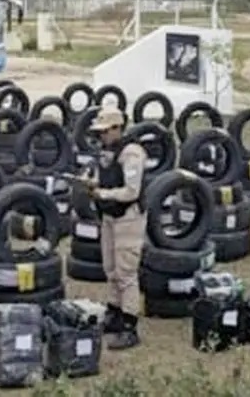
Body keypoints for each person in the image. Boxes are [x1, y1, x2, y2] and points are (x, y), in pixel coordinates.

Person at [83, 107, 147, 351]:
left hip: (128, 217)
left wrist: (103, 193)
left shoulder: (132, 153)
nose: (101, 137)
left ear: (117, 128)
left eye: (105, 132)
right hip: (109, 214)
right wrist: (91, 184)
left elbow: (132, 191)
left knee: (126, 271)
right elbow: (107, 178)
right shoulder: (107, 151)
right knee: (110, 268)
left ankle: (130, 325)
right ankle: (114, 312)